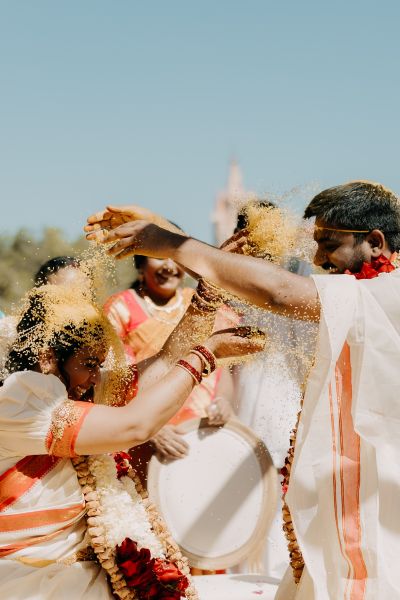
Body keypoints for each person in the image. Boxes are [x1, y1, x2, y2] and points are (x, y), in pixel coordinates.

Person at [86, 181, 400, 599]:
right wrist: (165, 233)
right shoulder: (357, 296)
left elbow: (280, 291)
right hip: (349, 509)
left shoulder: (386, 291)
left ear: (376, 243)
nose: (317, 258)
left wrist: (167, 240)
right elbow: (257, 291)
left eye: (328, 243)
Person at [0, 274, 264, 599]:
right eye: (87, 364)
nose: (96, 376)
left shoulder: (77, 391)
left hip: (81, 579)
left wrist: (206, 294)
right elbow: (134, 426)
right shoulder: (20, 400)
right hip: (31, 583)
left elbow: (165, 362)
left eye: (99, 364)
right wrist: (205, 356)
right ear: (47, 358)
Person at [104, 253, 236, 467]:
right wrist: (149, 428)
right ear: (140, 264)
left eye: (175, 258)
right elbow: (112, 383)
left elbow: (221, 367)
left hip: (202, 429)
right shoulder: (121, 308)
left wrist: (223, 400)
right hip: (145, 432)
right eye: (157, 257)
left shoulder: (202, 304)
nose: (168, 266)